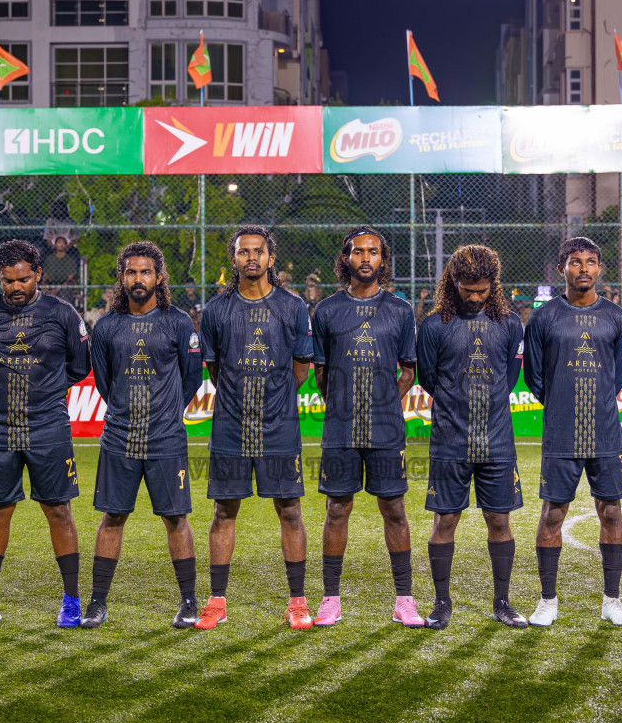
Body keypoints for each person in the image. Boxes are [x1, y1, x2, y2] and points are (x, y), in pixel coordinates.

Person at [0, 240, 92, 628]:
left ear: (38, 274)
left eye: (22, 279)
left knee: (58, 510)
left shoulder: (62, 313)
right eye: (7, 281)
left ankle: (71, 600)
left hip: (49, 424)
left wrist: (46, 390)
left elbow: (79, 365)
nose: (15, 287)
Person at [194, 227, 316, 631]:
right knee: (223, 511)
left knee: (290, 511)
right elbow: (213, 367)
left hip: (279, 427)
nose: (251, 258)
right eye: (243, 251)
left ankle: (297, 601)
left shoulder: (293, 306)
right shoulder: (215, 310)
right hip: (230, 426)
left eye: (258, 251)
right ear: (234, 258)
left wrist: (275, 397)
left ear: (270, 258)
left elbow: (301, 365)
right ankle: (216, 601)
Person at [82, 241, 204, 629]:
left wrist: (166, 413)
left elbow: (192, 378)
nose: (139, 278)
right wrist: (126, 410)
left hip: (166, 438)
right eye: (131, 272)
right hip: (119, 437)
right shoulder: (106, 327)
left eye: (146, 272)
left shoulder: (179, 322)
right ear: (122, 277)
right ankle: (97, 603)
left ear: (159, 277)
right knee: (112, 517)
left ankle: (189, 602)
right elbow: (104, 381)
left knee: (176, 519)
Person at [310, 228, 422, 627]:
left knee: (394, 509)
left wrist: (385, 402)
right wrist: (341, 403)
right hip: (340, 428)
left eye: (373, 252)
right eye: (358, 251)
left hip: (387, 428)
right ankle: (330, 599)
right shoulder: (325, 310)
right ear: (346, 258)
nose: (365, 258)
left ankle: (405, 599)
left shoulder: (401, 310)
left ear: (382, 260)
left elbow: (408, 369)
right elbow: (320, 371)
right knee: (336, 508)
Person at [523, 237, 622, 627]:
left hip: (605, 430)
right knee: (553, 513)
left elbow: (617, 377)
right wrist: (560, 403)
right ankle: (547, 600)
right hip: (561, 431)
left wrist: (596, 401)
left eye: (590, 262)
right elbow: (533, 376)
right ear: (562, 270)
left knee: (611, 511)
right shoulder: (543, 317)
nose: (583, 269)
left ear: (600, 268)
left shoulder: (618, 318)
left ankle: (612, 600)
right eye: (575, 262)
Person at [416, 244, 527, 629]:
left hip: (497, 440)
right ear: (453, 282)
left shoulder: (511, 324)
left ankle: (502, 602)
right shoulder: (433, 326)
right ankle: (442, 603)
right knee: (445, 521)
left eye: (482, 289)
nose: (476, 297)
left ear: (493, 285)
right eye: (468, 289)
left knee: (500, 520)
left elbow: (509, 379)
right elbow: (429, 379)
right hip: (449, 441)